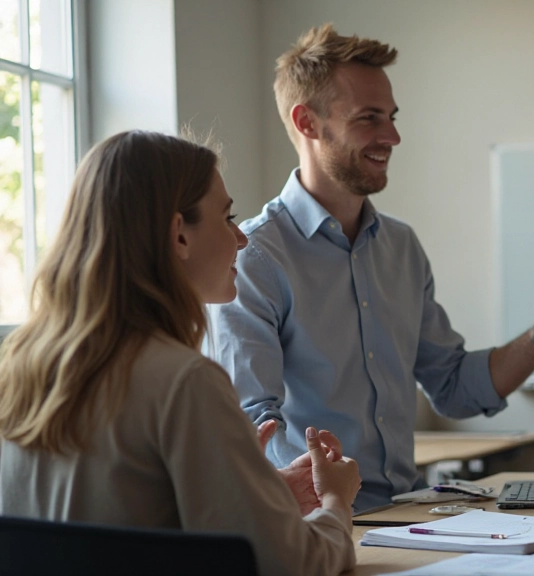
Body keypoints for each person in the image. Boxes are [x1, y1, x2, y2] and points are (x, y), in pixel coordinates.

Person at [209, 24, 534, 512]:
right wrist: (327, 507)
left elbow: (454, 389)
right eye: (369, 119)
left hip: (408, 512)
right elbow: (251, 424)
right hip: (323, 523)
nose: (392, 135)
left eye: (391, 116)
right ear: (307, 123)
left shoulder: (401, 247)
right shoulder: (255, 257)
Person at [0, 130, 362, 575]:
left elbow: (108, 535)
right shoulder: (185, 383)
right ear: (180, 236)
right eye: (228, 217)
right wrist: (335, 504)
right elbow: (287, 566)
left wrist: (255, 496)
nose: (242, 239)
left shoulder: (17, 370)